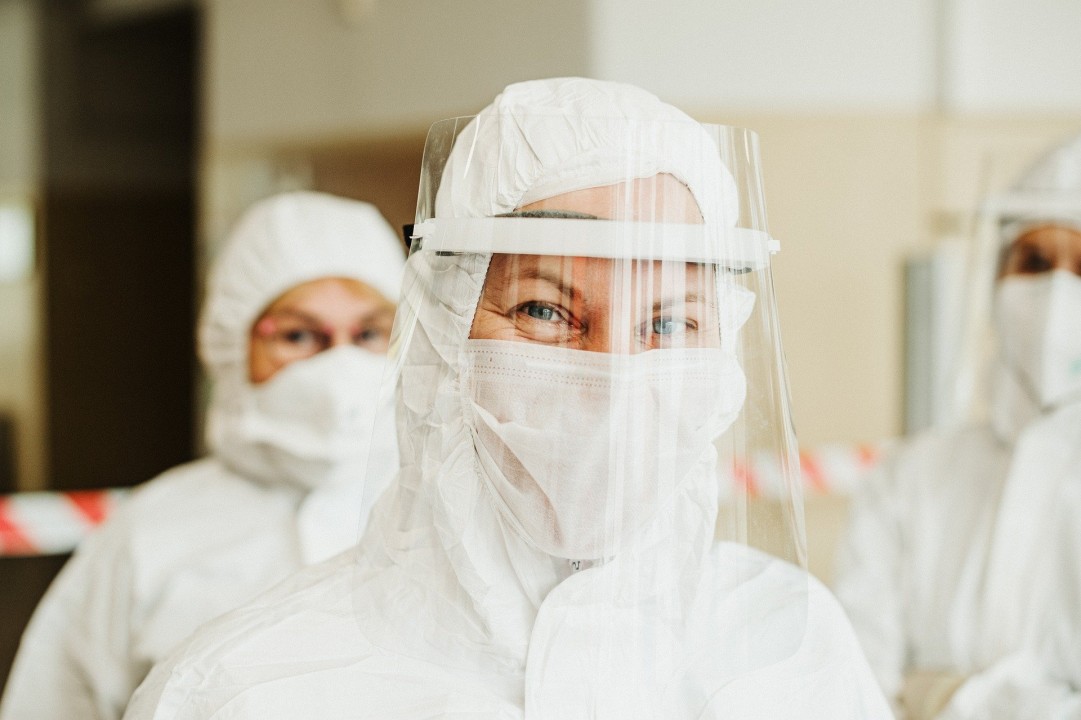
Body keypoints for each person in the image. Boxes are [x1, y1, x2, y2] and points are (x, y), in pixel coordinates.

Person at [123, 77, 890, 719]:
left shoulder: (790, 646)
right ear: (443, 333)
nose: (615, 377)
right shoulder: (248, 689)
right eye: (544, 311)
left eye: (667, 321)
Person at [0, 191, 405, 720]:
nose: (338, 366)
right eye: (299, 335)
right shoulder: (149, 532)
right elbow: (53, 705)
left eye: (370, 333)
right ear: (232, 346)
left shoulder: (450, 510)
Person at [834, 134, 1081, 719]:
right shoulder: (909, 478)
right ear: (995, 280)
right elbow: (853, 687)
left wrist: (940, 696)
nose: (1057, 295)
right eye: (1035, 262)